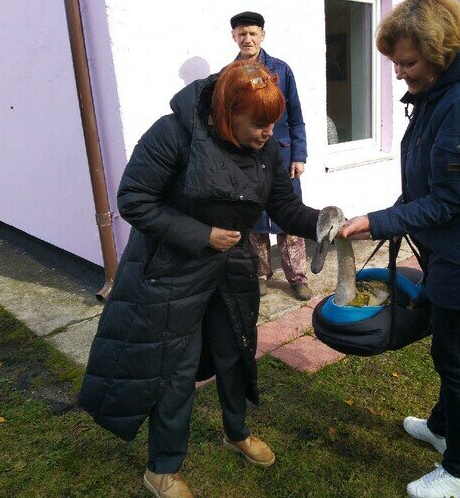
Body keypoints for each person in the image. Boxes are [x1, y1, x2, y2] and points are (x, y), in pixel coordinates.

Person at [78, 60, 319, 498]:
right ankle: (161, 470)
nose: (269, 134)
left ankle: (236, 431)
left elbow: (283, 208)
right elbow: (133, 199)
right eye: (259, 124)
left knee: (234, 354)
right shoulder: (173, 134)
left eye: (273, 124)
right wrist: (202, 234)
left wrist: (326, 222)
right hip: (171, 270)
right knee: (177, 368)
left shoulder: (266, 149)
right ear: (228, 114)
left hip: (232, 267)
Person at [338, 0, 460, 498]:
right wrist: (396, 212)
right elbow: (426, 180)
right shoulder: (440, 94)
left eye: (408, 62)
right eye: (396, 63)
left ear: (440, 52)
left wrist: (376, 222)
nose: (399, 73)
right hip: (455, 253)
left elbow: (448, 201)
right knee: (449, 351)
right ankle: (443, 427)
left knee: (457, 363)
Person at [230, 11, 312, 301]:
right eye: (242, 33)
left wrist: (298, 155)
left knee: (289, 217)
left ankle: (297, 277)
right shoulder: (230, 75)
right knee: (254, 220)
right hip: (248, 159)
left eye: (252, 33)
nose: (247, 39)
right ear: (234, 37)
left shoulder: (281, 70)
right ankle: (261, 274)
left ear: (263, 35)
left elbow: (297, 117)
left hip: (282, 157)